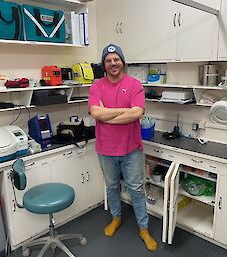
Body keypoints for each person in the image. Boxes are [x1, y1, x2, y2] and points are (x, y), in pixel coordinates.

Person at [88, 44, 157, 251]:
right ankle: (116, 218)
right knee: (111, 187)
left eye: (116, 59)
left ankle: (143, 229)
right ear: (104, 65)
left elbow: (137, 113)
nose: (113, 63)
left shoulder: (135, 84)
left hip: (131, 149)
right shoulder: (96, 86)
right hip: (105, 149)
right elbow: (95, 114)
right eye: (108, 61)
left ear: (122, 62)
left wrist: (107, 114)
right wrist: (122, 112)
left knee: (136, 189)